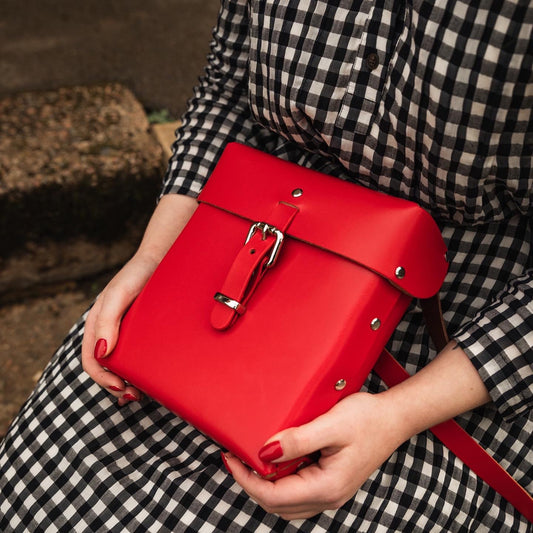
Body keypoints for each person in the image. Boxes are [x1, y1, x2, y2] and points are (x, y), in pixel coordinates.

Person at [1, 0, 531, 531]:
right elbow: (229, 85)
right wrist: (155, 257)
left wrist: (398, 415)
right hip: (241, 224)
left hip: (459, 317)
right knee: (44, 485)